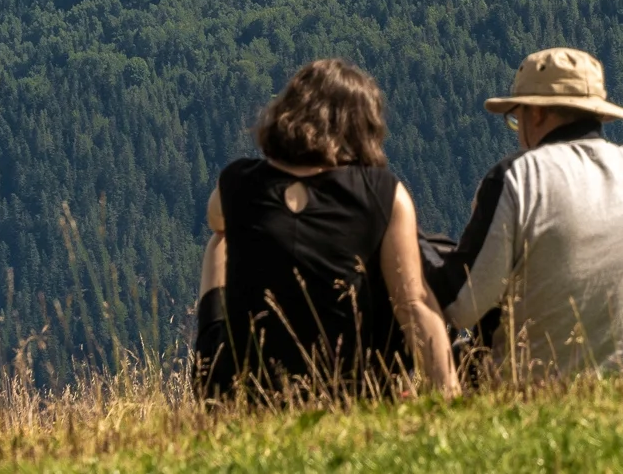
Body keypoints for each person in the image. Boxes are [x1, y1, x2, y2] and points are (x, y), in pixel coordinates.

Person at [194, 59, 458, 398]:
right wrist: (448, 395)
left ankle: (208, 378)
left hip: (241, 390)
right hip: (347, 389)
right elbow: (414, 304)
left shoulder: (238, 181)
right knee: (401, 277)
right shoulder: (382, 192)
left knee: (221, 241)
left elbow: (216, 221)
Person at [428, 47, 623, 379]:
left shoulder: (518, 177)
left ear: (537, 114)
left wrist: (418, 253)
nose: (518, 132)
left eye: (516, 118)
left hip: (531, 395)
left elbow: (463, 306)